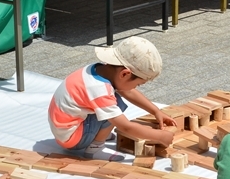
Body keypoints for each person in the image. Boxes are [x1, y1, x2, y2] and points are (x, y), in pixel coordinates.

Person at [48, 36, 176, 160]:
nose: (135, 87)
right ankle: (95, 148)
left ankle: (97, 132)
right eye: (138, 84)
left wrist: (155, 111)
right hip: (72, 139)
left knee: (112, 100)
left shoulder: (99, 70)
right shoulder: (99, 89)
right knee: (116, 104)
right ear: (125, 74)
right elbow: (125, 127)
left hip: (64, 130)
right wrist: (159, 136)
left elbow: (128, 91)